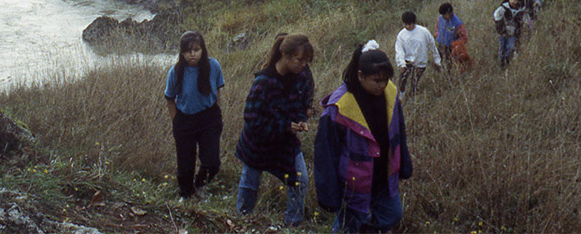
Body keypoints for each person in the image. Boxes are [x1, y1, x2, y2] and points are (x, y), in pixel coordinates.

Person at [314, 42, 412, 233]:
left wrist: (404, 164)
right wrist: (329, 193)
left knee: (392, 215)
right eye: (376, 80)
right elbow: (325, 152)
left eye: (386, 80)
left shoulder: (390, 94)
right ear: (360, 76)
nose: (382, 85)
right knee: (349, 225)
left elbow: (399, 131)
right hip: (353, 184)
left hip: (383, 176)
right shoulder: (339, 107)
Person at [235, 33, 315, 226]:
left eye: (306, 60)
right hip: (258, 142)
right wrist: (285, 126)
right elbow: (251, 119)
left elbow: (303, 103)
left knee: (300, 180)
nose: (303, 64)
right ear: (285, 56)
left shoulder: (302, 77)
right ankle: (241, 222)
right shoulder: (263, 82)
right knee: (250, 183)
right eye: (299, 59)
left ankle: (292, 224)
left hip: (285, 142)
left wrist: (302, 120)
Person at [164, 31, 225, 200]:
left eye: (197, 50)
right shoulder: (175, 72)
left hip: (209, 117)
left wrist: (217, 112)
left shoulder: (213, 66)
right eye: (188, 51)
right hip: (185, 119)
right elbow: (169, 98)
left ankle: (200, 184)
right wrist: (176, 119)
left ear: (202, 50)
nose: (193, 54)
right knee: (185, 163)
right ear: (182, 53)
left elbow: (218, 90)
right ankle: (186, 193)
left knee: (212, 162)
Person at [393, 11, 441, 97]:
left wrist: (437, 60)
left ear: (414, 23)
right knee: (402, 81)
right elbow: (399, 50)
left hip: (420, 62)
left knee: (414, 82)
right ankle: (400, 97)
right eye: (405, 24)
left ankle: (412, 96)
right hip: (407, 62)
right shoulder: (401, 35)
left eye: (409, 24)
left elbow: (432, 46)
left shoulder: (424, 32)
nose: (407, 27)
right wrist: (401, 63)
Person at [434, 3, 468, 72]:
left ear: (450, 13)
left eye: (444, 15)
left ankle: (447, 76)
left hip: (450, 48)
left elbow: (464, 38)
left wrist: (455, 45)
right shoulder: (440, 18)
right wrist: (437, 35)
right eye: (442, 15)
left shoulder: (457, 23)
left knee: (447, 65)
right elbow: (438, 27)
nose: (443, 16)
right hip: (440, 45)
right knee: (437, 61)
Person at [493, 0, 522, 68]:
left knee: (511, 48)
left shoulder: (520, 10)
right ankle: (501, 64)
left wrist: (518, 31)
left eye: (515, 0)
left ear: (518, 1)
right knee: (502, 48)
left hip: (513, 33)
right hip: (504, 32)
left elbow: (521, 22)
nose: (513, 1)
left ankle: (507, 63)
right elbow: (497, 17)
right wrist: (501, 30)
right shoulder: (504, 8)